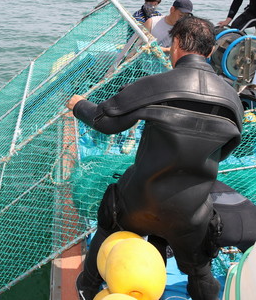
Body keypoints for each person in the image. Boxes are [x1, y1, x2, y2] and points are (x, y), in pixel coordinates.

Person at [68, 16, 245, 300]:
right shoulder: (233, 99)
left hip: (140, 202)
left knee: (110, 214)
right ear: (211, 52)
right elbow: (228, 146)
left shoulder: (156, 84)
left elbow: (106, 121)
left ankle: (87, 287)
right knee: (200, 268)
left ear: (175, 44)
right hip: (191, 212)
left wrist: (79, 106)